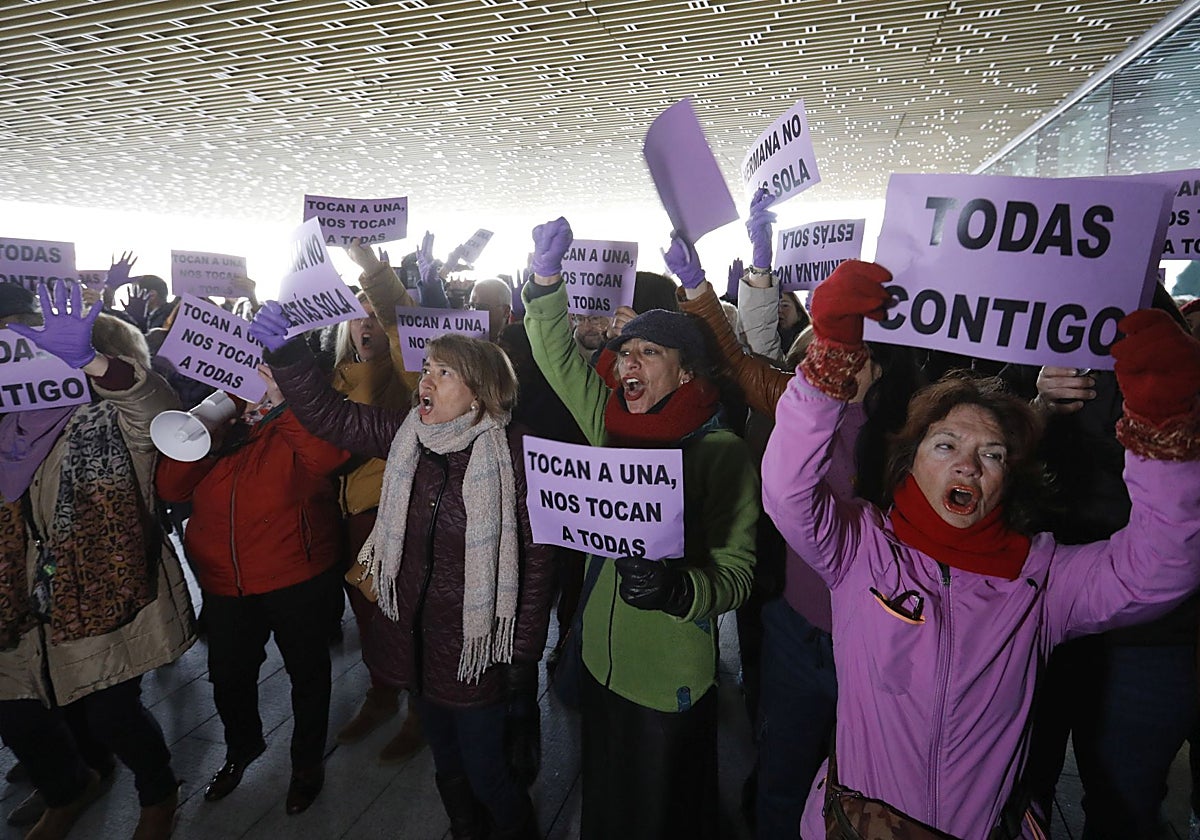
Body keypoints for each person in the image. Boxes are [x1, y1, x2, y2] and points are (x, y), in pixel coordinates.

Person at [760, 260, 1200, 840]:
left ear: (1009, 478)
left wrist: (1162, 425)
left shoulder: (1043, 582)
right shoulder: (863, 549)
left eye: (992, 454)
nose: (968, 464)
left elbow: (1160, 566)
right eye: (946, 445)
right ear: (910, 462)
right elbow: (788, 490)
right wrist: (830, 357)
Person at [249, 307, 555, 840]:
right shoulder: (408, 433)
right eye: (428, 368)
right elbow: (332, 417)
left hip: (479, 651)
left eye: (443, 372)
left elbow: (537, 566)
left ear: (480, 394)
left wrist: (522, 662)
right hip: (418, 642)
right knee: (447, 764)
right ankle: (465, 831)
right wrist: (288, 354)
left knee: (489, 773)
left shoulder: (518, 457)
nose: (425, 381)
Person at [522, 217, 759, 840]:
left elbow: (738, 576)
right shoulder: (610, 426)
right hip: (599, 665)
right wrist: (545, 281)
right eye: (627, 352)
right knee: (606, 806)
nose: (629, 360)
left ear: (685, 374)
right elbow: (556, 357)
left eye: (650, 353)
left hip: (668, 681)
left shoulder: (721, 453)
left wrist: (679, 589)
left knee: (663, 818)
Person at [1, 281, 195, 840]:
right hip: (17, 604)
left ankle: (158, 794)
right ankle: (68, 788)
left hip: (101, 599)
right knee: (18, 713)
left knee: (111, 714)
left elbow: (155, 407)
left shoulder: (105, 418)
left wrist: (91, 361)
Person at [156, 366, 347, 815]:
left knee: (308, 674)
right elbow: (170, 487)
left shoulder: (311, 408)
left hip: (295, 572)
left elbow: (328, 459)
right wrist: (209, 429)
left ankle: (306, 763)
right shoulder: (219, 420)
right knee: (228, 677)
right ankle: (242, 747)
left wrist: (283, 405)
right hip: (226, 580)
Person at [322, 287, 426, 765]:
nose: (364, 324)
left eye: (373, 316)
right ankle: (381, 694)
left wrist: (374, 273)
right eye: (354, 316)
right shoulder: (332, 375)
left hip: (390, 513)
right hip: (346, 515)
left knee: (406, 617)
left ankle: (420, 711)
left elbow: (360, 423)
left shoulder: (409, 375)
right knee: (367, 616)